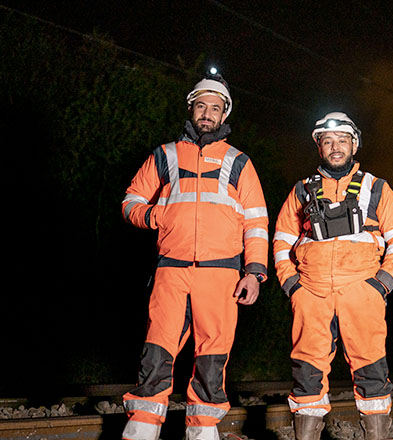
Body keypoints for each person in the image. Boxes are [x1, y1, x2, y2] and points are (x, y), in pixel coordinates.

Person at [120, 74, 269, 440]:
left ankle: (202, 432)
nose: (207, 113)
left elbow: (257, 223)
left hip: (221, 275)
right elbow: (130, 202)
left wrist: (254, 272)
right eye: (201, 105)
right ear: (192, 108)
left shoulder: (239, 162)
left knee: (212, 358)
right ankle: (141, 429)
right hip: (172, 269)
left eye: (215, 108)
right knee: (156, 351)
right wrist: (153, 215)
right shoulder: (166, 154)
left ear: (224, 114)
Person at [273, 112, 393, 440]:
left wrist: (382, 284)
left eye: (342, 140)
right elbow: (281, 240)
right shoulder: (301, 191)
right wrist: (293, 286)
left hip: (361, 292)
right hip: (311, 293)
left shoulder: (376, 188)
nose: (335, 147)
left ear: (354, 144)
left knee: (371, 371)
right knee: (306, 373)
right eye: (328, 141)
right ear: (319, 147)